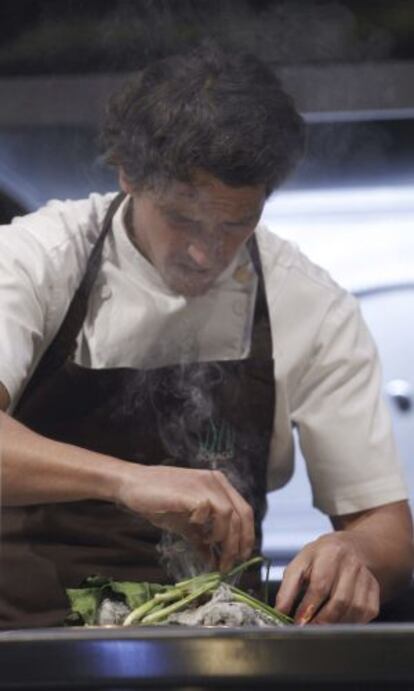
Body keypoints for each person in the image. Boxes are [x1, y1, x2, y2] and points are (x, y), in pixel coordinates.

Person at [0, 42, 412, 630]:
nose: (205, 252)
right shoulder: (36, 258)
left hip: (218, 653)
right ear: (127, 173)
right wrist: (127, 480)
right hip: (27, 650)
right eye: (182, 218)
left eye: (236, 223)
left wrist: (357, 554)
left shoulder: (309, 303)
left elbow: (387, 528)